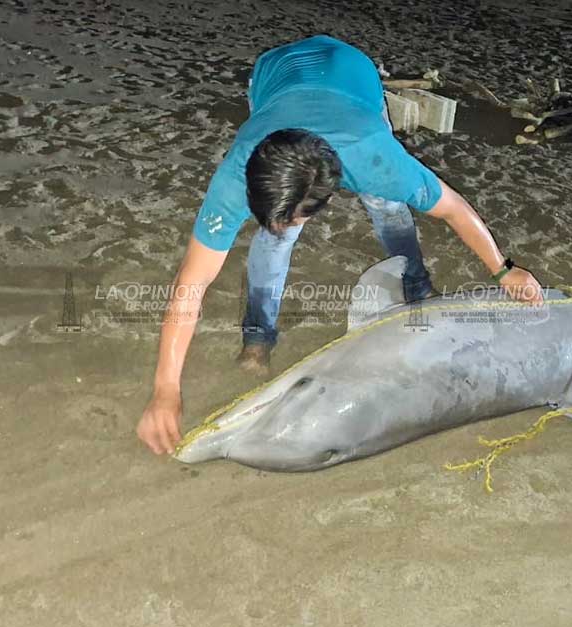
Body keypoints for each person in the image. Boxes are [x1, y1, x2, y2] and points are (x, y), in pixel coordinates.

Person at [136, 35, 543, 456]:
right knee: (277, 241)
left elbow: (455, 208)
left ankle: (419, 289)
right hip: (276, 72)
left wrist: (502, 268)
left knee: (387, 206)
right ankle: (258, 336)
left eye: (291, 215)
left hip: (354, 74)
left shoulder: (376, 159)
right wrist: (165, 387)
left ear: (326, 195)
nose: (277, 224)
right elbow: (191, 283)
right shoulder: (238, 173)